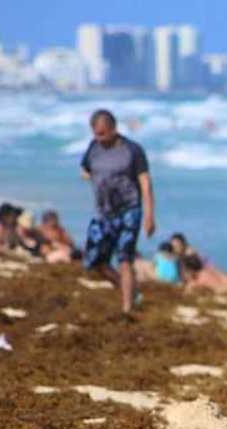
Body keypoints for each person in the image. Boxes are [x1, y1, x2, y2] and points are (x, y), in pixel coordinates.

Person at [80, 109, 155, 315]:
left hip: (129, 211)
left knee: (124, 259)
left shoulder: (132, 150)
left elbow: (146, 184)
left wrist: (149, 216)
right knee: (94, 263)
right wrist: (96, 179)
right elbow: (85, 170)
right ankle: (131, 291)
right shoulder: (93, 148)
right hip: (103, 213)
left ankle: (127, 309)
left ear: (114, 129)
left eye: (103, 133)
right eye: (96, 133)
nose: (99, 138)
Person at [171, 233, 227, 299]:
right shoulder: (203, 270)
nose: (175, 249)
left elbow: (223, 290)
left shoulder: (197, 270)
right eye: (173, 246)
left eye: (177, 246)